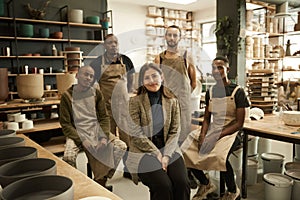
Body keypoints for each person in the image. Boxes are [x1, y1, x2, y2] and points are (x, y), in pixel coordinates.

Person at [181, 56, 250, 200]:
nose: (216, 71)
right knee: (185, 150)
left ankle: (232, 191)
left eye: (220, 67)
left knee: (220, 157)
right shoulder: (210, 92)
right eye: (214, 68)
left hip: (231, 132)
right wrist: (203, 135)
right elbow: (206, 118)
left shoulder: (238, 91)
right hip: (214, 128)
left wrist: (216, 136)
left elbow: (239, 123)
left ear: (227, 70)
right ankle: (205, 183)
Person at [125, 63, 190, 200]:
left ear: (162, 77)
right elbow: (136, 134)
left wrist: (166, 155)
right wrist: (156, 153)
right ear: (142, 82)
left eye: (154, 76)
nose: (152, 81)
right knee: (163, 186)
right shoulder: (134, 102)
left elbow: (174, 131)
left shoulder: (172, 101)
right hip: (143, 150)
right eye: (146, 78)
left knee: (182, 183)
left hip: (169, 147)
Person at [59, 66, 126, 190]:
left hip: (96, 130)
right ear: (77, 75)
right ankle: (76, 186)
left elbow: (104, 118)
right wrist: (82, 140)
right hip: (76, 132)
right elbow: (66, 124)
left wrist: (103, 138)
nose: (88, 78)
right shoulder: (67, 96)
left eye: (91, 76)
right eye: (85, 74)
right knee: (68, 157)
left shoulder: (96, 93)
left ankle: (103, 179)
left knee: (121, 147)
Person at [154, 25, 198, 188]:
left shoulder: (186, 56)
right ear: (165, 37)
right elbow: (155, 81)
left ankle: (187, 173)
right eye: (169, 35)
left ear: (179, 38)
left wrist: (182, 96)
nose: (172, 38)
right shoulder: (159, 58)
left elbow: (193, 81)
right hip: (166, 103)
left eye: (175, 35)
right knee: (168, 137)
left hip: (184, 105)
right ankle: (172, 172)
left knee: (184, 139)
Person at [90, 34, 135, 178]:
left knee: (128, 139)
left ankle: (128, 170)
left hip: (123, 108)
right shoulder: (97, 63)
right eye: (110, 43)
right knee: (108, 141)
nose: (113, 45)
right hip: (106, 109)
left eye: (115, 42)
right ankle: (106, 172)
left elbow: (131, 80)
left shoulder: (126, 60)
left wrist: (125, 93)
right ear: (104, 45)